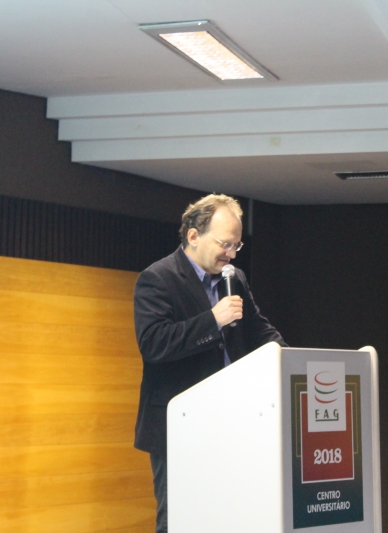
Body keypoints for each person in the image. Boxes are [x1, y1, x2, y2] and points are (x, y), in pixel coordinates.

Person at [133, 194, 286, 533]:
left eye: (237, 245)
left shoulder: (235, 279)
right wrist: (212, 320)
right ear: (193, 236)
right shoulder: (158, 278)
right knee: (180, 519)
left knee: (228, 516)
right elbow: (154, 343)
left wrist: (288, 359)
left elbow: (259, 331)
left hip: (232, 421)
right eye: (225, 244)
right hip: (180, 427)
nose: (231, 254)